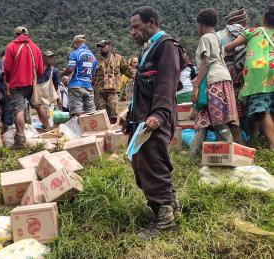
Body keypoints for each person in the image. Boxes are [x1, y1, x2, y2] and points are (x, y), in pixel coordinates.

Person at [128, 6, 186, 238]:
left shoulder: (166, 47)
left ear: (152, 22)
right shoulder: (148, 50)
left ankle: (165, 222)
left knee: (154, 163)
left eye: (136, 27)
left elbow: (166, 83)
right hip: (142, 118)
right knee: (143, 163)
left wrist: (159, 114)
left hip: (155, 118)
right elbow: (142, 88)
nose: (132, 32)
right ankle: (171, 207)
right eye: (130, 28)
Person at [190, 8, 239, 157]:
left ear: (201, 24)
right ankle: (195, 153)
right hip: (223, 79)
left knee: (219, 120)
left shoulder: (205, 38)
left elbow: (205, 63)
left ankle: (228, 154)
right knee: (204, 117)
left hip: (214, 80)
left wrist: (196, 85)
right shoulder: (218, 38)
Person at [225, 5, 274, 148]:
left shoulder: (254, 31)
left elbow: (230, 46)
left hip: (259, 73)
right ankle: (269, 144)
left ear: (264, 19)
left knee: (261, 109)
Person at [3, 26, 44, 149]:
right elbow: (40, 69)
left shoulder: (11, 47)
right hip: (31, 83)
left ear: (15, 34)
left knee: (19, 110)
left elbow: (7, 68)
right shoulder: (35, 48)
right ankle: (48, 129)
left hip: (17, 84)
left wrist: (9, 80)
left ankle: (20, 140)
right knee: (38, 106)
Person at [217, 7, 248, 144]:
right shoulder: (246, 33)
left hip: (224, 74)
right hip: (243, 75)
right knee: (243, 106)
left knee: (229, 107)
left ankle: (232, 140)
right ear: (243, 21)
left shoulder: (218, 34)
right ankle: (248, 140)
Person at [92, 39, 134, 123]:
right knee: (101, 117)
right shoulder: (97, 61)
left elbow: (129, 71)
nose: (101, 49)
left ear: (110, 46)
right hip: (100, 93)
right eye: (100, 47)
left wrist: (137, 78)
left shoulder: (118, 59)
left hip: (113, 92)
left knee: (114, 116)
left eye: (103, 46)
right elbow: (93, 77)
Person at [61, 35, 97, 117]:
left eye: (73, 45)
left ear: (76, 43)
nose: (73, 47)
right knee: (91, 112)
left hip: (76, 86)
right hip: (88, 86)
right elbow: (93, 73)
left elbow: (70, 69)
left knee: (76, 112)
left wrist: (61, 74)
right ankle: (91, 128)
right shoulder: (92, 56)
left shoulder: (75, 53)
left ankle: (77, 128)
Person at [36, 50, 61, 128]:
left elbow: (56, 87)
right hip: (39, 99)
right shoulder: (37, 70)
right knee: (39, 118)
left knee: (52, 118)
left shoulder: (54, 71)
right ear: (42, 58)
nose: (50, 58)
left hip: (51, 99)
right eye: (48, 57)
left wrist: (54, 99)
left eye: (51, 57)